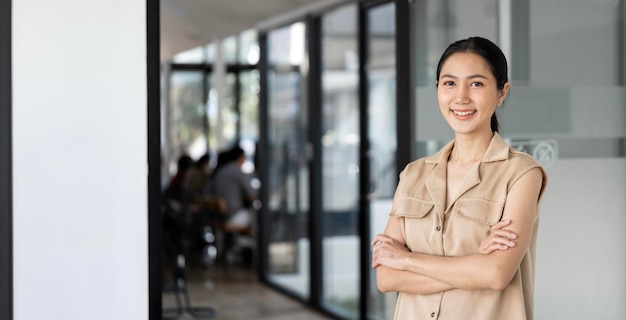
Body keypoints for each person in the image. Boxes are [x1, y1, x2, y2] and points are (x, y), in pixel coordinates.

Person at [371, 36, 547, 320]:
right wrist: (473, 267)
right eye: (449, 83)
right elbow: (386, 278)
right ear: (438, 89)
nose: (461, 97)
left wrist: (407, 260)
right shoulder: (413, 174)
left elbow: (496, 273)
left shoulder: (521, 174)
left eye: (476, 83)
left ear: (502, 93)